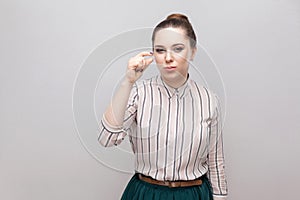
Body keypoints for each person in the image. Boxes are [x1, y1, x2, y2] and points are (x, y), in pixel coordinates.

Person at [98, 13, 228, 200]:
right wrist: (128, 82)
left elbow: (216, 161)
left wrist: (220, 197)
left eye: (177, 49)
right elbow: (106, 139)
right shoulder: (138, 93)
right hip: (146, 193)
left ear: (192, 51)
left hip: (193, 194)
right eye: (160, 50)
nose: (168, 58)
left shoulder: (209, 100)